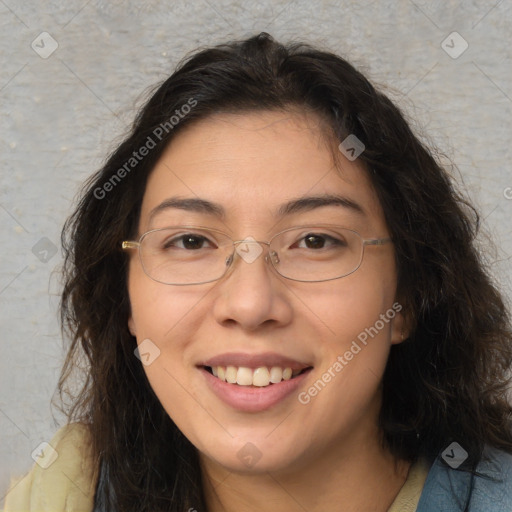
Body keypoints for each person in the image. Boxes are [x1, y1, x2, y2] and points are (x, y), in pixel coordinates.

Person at [4, 32, 512, 512]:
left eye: (315, 241)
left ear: (408, 296)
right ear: (126, 295)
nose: (249, 304)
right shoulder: (69, 488)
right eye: (190, 241)